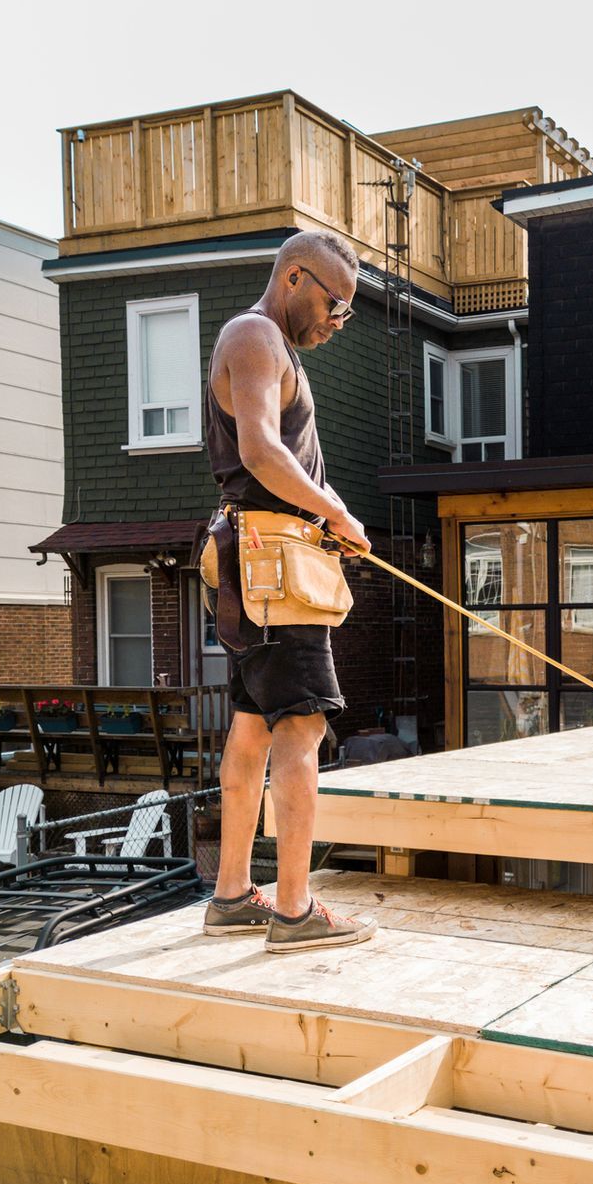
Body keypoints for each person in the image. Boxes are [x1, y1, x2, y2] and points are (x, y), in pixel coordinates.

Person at [201, 230, 376, 952]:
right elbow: (260, 451)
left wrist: (334, 515)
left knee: (250, 728)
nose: (338, 320)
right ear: (296, 277)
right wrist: (331, 513)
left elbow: (292, 463)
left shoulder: (272, 349)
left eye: (348, 312)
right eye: (336, 304)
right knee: (300, 729)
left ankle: (233, 895)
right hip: (273, 567)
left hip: (258, 560)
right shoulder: (254, 336)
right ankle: (296, 911)